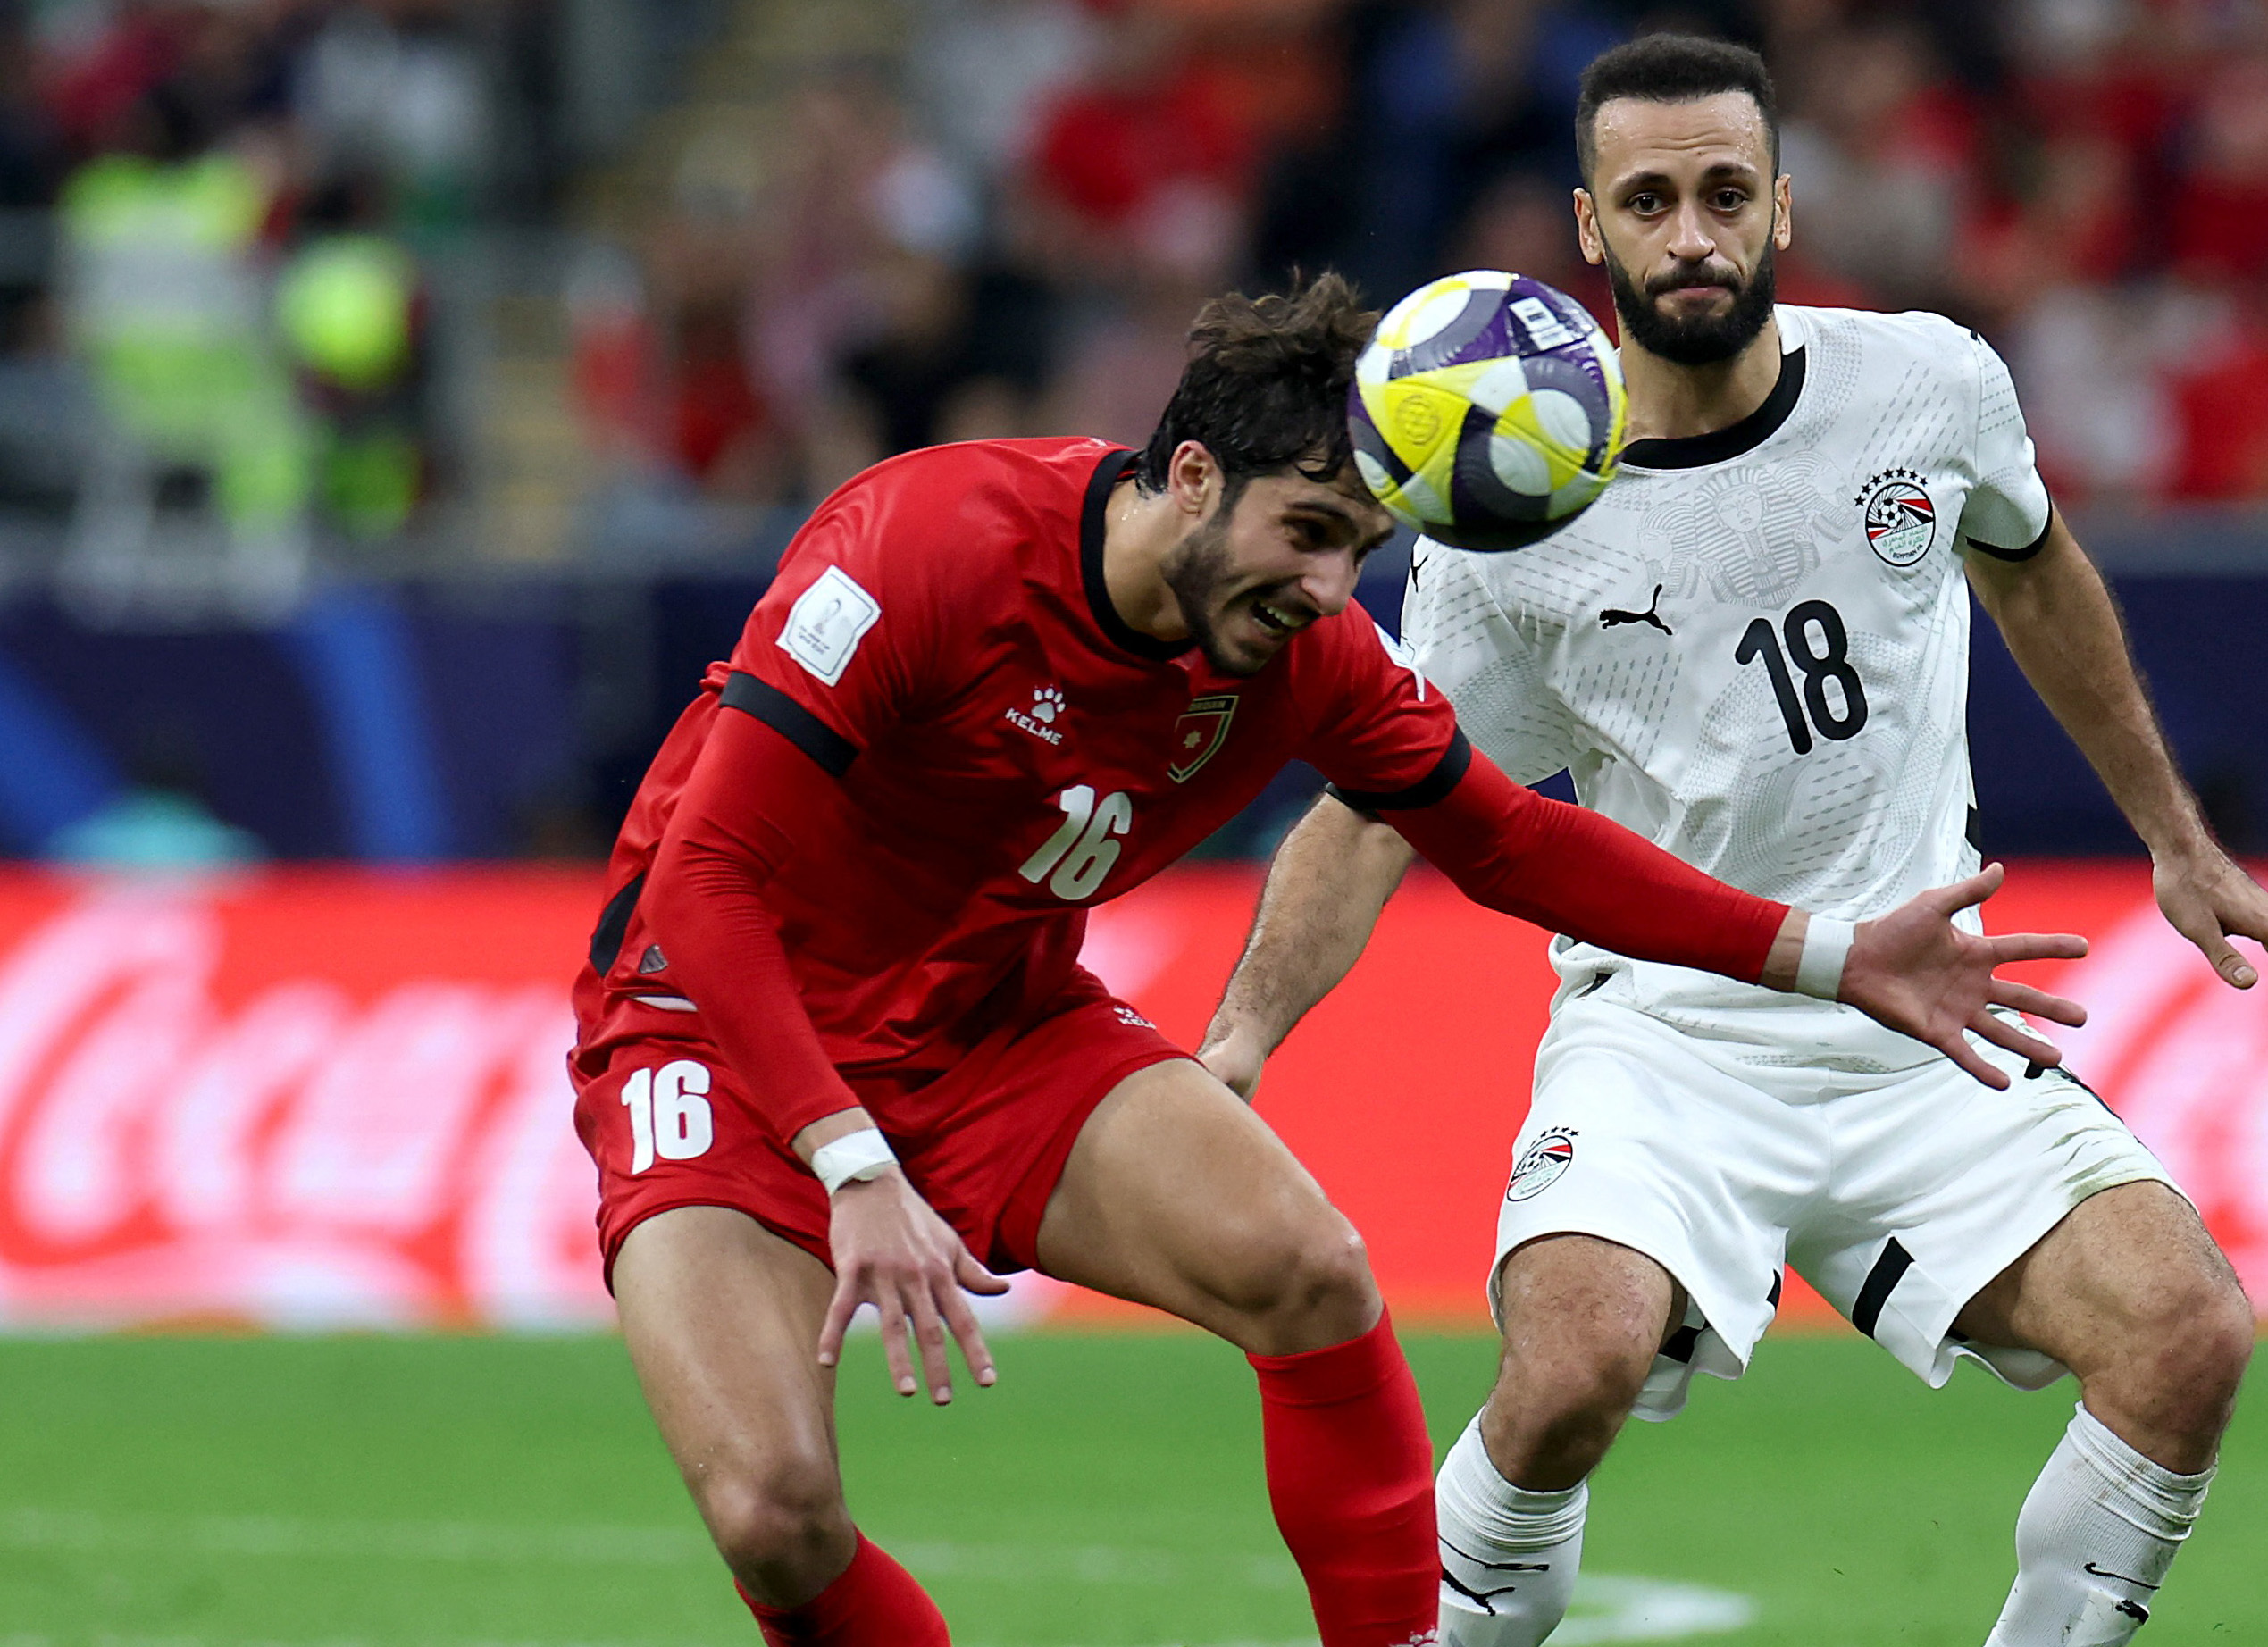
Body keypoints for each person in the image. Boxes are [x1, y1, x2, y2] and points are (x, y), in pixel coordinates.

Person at [570, 273, 2087, 1647]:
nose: (1325, 588)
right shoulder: (925, 547)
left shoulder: (1305, 660)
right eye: (1305, 534)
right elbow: (705, 880)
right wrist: (848, 1160)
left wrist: (1829, 954)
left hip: (989, 1029)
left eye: (1359, 550)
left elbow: (1512, 843)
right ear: (1188, 478)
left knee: (1308, 1269)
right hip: (712, 1031)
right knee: (776, 1515)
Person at [1197, 39, 2259, 1647]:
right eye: (1647, 201)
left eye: (1720, 195)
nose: (1688, 234)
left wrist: (2171, 840)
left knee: (2190, 1335)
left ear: (1780, 209)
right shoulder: (1515, 522)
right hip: (1668, 1029)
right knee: (1569, 1376)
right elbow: (1372, 812)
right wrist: (1240, 1041)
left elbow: (2033, 569)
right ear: (1588, 230)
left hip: (1926, 1018)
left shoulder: (1928, 383)